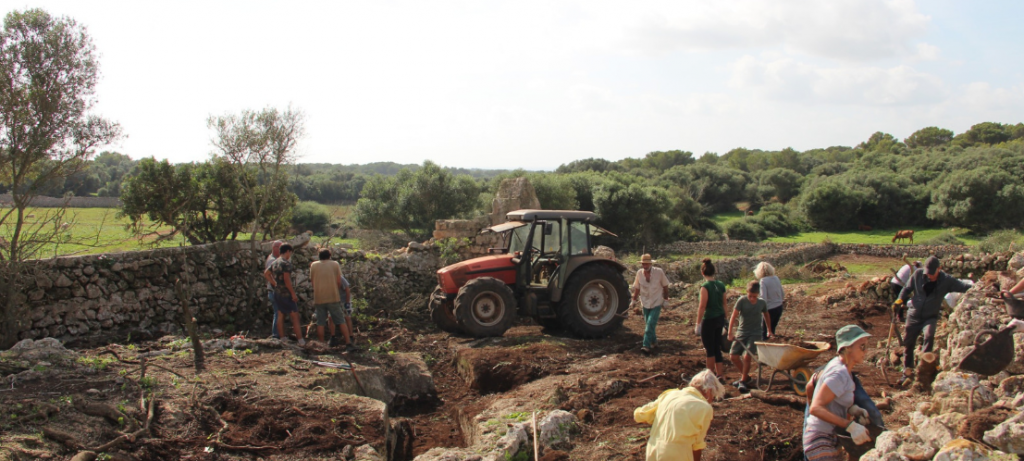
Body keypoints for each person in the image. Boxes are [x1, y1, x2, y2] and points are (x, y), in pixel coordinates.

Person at [896, 256, 973, 386]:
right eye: (928, 273)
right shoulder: (918, 274)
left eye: (932, 273)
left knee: (929, 336)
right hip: (914, 315)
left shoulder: (946, 280)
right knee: (908, 343)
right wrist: (899, 300)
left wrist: (980, 286)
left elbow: (963, 287)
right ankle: (906, 372)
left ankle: (923, 371)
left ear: (939, 269)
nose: (929, 276)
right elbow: (907, 289)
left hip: (930, 316)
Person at [803, 325, 874, 460]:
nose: (866, 351)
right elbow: (816, 408)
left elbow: (830, 397)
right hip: (820, 439)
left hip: (830, 438)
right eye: (862, 346)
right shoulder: (839, 374)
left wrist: (852, 409)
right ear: (847, 348)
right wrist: (850, 426)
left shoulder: (842, 368)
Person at [634, 369, 725, 461]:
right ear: (708, 391)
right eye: (713, 396)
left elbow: (640, 415)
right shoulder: (704, 408)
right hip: (678, 455)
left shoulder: (670, 394)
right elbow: (697, 445)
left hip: (653, 451)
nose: (711, 400)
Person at [727, 281, 773, 392]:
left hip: (755, 333)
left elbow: (766, 315)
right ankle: (746, 377)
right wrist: (730, 332)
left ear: (758, 294)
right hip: (742, 332)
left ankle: (743, 381)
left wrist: (769, 330)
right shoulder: (742, 301)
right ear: (747, 292)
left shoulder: (761, 303)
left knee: (747, 357)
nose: (752, 298)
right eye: (750, 296)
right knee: (733, 356)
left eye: (754, 296)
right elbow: (733, 316)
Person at [310, 248, 357, 351]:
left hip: (319, 298)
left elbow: (313, 282)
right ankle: (348, 343)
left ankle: (322, 345)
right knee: (341, 320)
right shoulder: (334, 264)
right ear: (329, 256)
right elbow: (339, 281)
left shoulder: (313, 265)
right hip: (333, 297)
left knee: (320, 322)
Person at [263, 243, 305, 346]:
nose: (290, 255)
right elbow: (287, 279)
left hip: (277, 292)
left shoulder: (274, 262)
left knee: (280, 315)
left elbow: (266, 274)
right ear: (287, 251)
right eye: (290, 253)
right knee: (294, 316)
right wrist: (293, 294)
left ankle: (282, 338)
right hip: (286, 293)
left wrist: (275, 283)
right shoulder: (286, 264)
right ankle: (300, 340)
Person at [695, 259, 727, 378]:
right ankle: (720, 374)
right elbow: (724, 303)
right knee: (717, 347)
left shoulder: (705, 287)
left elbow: (702, 306)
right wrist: (726, 319)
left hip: (709, 319)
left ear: (702, 273)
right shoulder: (721, 285)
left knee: (709, 349)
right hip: (720, 318)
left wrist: (698, 323)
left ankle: (709, 375)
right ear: (714, 272)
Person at [633, 254, 670, 355]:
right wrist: (633, 300)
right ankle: (654, 342)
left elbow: (665, 286)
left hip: (656, 302)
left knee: (649, 324)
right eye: (643, 264)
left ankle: (646, 345)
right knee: (649, 324)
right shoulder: (639, 273)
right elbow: (637, 288)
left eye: (646, 263)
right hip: (645, 302)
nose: (645, 265)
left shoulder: (659, 272)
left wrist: (666, 300)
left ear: (650, 263)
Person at [753, 262, 784, 340]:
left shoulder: (763, 281)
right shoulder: (776, 278)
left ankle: (765, 349)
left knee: (764, 332)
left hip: (770, 310)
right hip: (779, 307)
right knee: (772, 330)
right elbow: (782, 293)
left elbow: (764, 298)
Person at [889, 256, 919, 321]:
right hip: (899, 284)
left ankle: (896, 314)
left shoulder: (907, 265)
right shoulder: (915, 269)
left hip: (893, 282)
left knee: (899, 299)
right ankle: (900, 317)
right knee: (903, 300)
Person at [265, 240, 284, 339]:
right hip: (274, 291)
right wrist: (276, 285)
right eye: (280, 248)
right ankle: (276, 335)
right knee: (278, 313)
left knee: (278, 312)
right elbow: (268, 274)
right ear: (275, 248)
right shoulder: (272, 261)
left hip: (273, 290)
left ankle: (278, 334)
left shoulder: (274, 259)